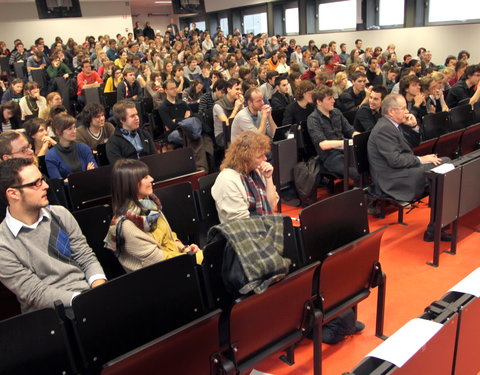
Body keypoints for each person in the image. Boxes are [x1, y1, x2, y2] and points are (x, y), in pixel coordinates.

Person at [0, 158, 106, 313]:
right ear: (13, 193)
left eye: (42, 179)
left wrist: (99, 289)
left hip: (88, 293)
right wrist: (84, 300)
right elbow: (36, 293)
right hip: (50, 313)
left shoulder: (60, 214)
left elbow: (86, 257)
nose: (46, 186)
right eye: (36, 183)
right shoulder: (3, 243)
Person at [367, 94, 450, 241]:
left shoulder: (394, 125)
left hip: (400, 171)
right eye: (403, 108)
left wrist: (413, 126)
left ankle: (438, 225)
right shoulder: (384, 129)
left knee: (444, 166)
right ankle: (436, 227)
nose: (407, 112)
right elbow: (395, 160)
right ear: (391, 112)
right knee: (442, 169)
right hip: (391, 179)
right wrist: (420, 159)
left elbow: (412, 146)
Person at [104, 159, 202, 273]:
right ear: (130, 184)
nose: (151, 179)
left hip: (174, 264)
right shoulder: (126, 226)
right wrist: (196, 258)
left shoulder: (148, 205)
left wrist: (184, 249)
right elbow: (158, 261)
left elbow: (169, 236)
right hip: (158, 278)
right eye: (145, 177)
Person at [211, 131, 279, 223]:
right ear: (245, 158)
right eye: (260, 156)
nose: (265, 159)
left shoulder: (256, 171)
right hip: (240, 232)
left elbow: (271, 205)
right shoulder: (227, 180)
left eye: (264, 154)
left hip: (259, 226)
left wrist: (268, 178)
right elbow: (241, 223)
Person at [307, 86, 360, 181]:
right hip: (330, 156)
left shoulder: (336, 112)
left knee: (369, 163)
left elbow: (350, 130)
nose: (333, 101)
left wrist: (359, 138)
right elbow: (323, 144)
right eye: (329, 99)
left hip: (346, 149)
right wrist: (347, 143)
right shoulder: (313, 119)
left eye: (332, 97)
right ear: (319, 102)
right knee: (355, 172)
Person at [45, 114, 97, 180]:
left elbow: (95, 172)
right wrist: (86, 173)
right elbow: (58, 183)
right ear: (58, 131)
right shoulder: (51, 156)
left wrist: (70, 179)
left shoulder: (84, 148)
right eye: (70, 129)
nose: (74, 131)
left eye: (74, 127)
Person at [212, 78, 244, 147]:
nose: (240, 92)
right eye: (237, 89)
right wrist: (236, 108)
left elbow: (243, 119)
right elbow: (227, 125)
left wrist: (242, 106)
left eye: (240, 89)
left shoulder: (237, 101)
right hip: (222, 135)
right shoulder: (218, 106)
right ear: (229, 89)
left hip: (236, 131)